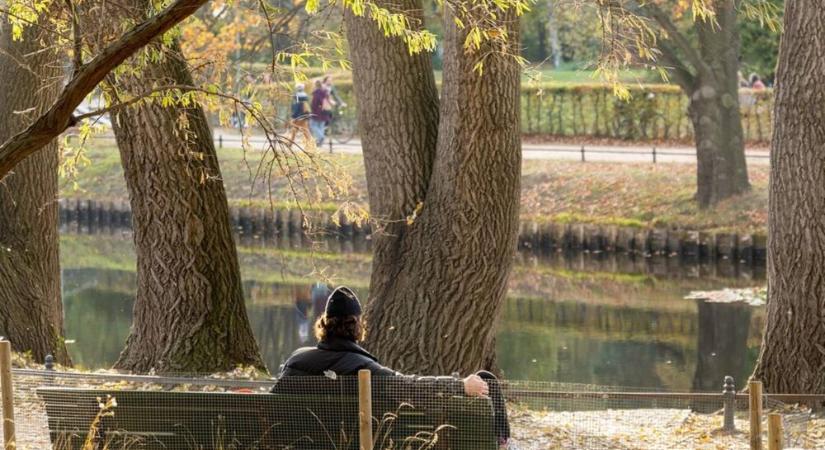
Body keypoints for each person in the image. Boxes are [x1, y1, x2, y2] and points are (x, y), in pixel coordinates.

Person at [272, 286, 517, 449]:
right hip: (360, 442)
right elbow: (409, 386)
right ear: (357, 326)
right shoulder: (364, 370)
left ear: (323, 324)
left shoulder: (295, 361)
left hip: (299, 442)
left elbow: (272, 402)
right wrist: (460, 385)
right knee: (485, 378)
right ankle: (504, 443)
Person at [309, 79, 332, 146]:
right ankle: (320, 142)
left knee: (313, 125)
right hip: (324, 112)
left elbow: (314, 104)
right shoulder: (325, 93)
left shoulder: (316, 93)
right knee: (321, 127)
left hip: (316, 112)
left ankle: (321, 137)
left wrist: (311, 111)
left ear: (315, 85)